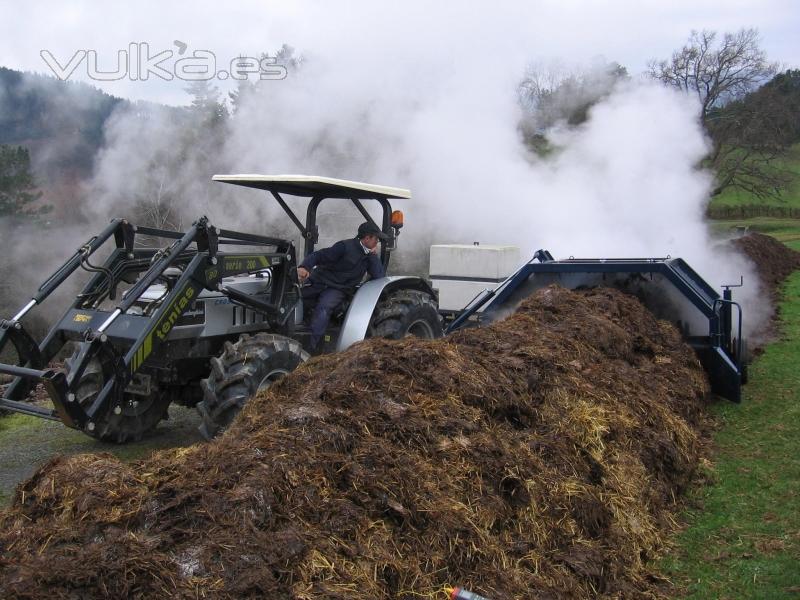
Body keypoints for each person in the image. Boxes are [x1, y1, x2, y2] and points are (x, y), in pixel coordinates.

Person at [297, 221, 388, 349]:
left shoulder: (369, 256)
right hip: (319, 282)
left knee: (323, 309)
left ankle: (313, 349)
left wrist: (373, 256)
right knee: (294, 298)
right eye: (376, 239)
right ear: (367, 238)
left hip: (338, 289)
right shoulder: (344, 247)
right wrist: (304, 267)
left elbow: (379, 277)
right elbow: (319, 255)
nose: (377, 243)